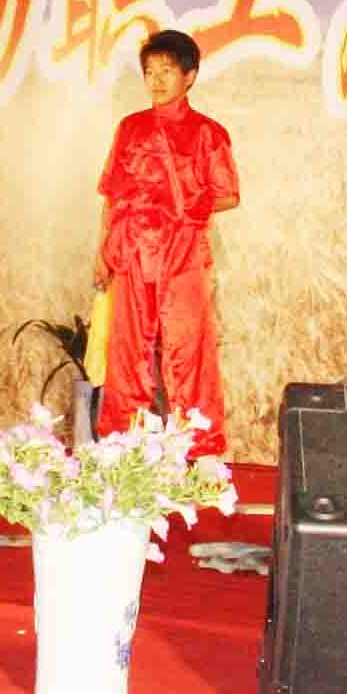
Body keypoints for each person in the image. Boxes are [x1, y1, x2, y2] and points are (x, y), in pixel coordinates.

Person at [94, 29, 239, 456]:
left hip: (181, 254)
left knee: (188, 352)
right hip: (132, 252)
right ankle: (122, 447)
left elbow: (229, 194)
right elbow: (111, 195)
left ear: (189, 76)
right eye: (149, 71)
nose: (156, 80)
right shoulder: (130, 128)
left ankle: (201, 450)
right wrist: (101, 252)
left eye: (167, 71)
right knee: (127, 354)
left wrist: (189, 203)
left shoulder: (208, 133)